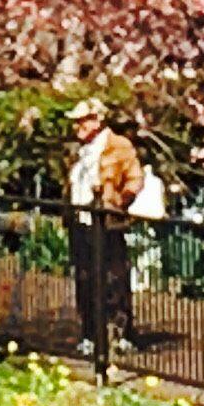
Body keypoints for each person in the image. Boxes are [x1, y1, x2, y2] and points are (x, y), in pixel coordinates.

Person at [67, 98, 148, 366]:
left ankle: (122, 331)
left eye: (82, 120)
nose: (77, 127)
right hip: (81, 220)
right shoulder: (78, 150)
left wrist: (121, 201)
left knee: (114, 277)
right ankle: (90, 333)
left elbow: (135, 178)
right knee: (85, 277)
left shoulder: (119, 146)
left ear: (96, 120)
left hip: (108, 221)